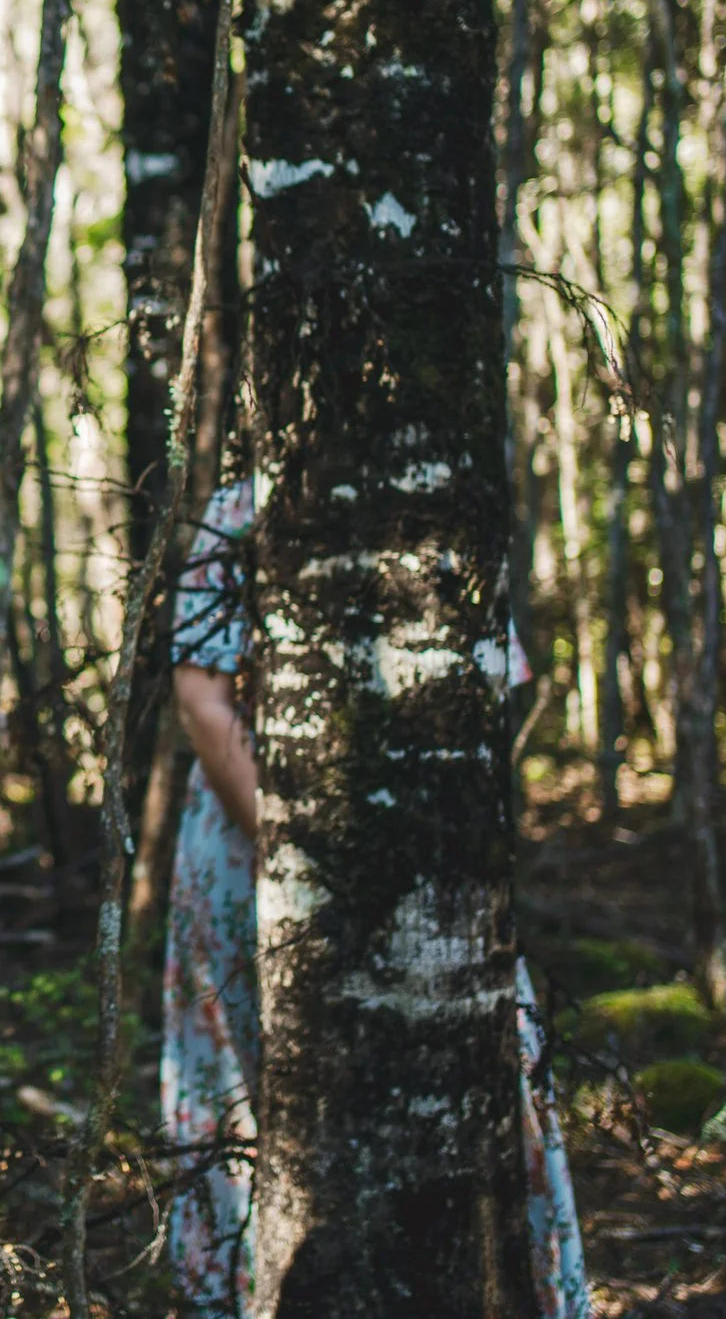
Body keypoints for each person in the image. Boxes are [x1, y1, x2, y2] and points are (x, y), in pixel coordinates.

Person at [162, 477, 589, 1317]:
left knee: (490, 1087)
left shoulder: (440, 482)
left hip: (427, 864)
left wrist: (439, 850)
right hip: (251, 858)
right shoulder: (247, 505)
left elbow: (486, 690)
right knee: (271, 1114)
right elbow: (202, 702)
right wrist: (314, 870)